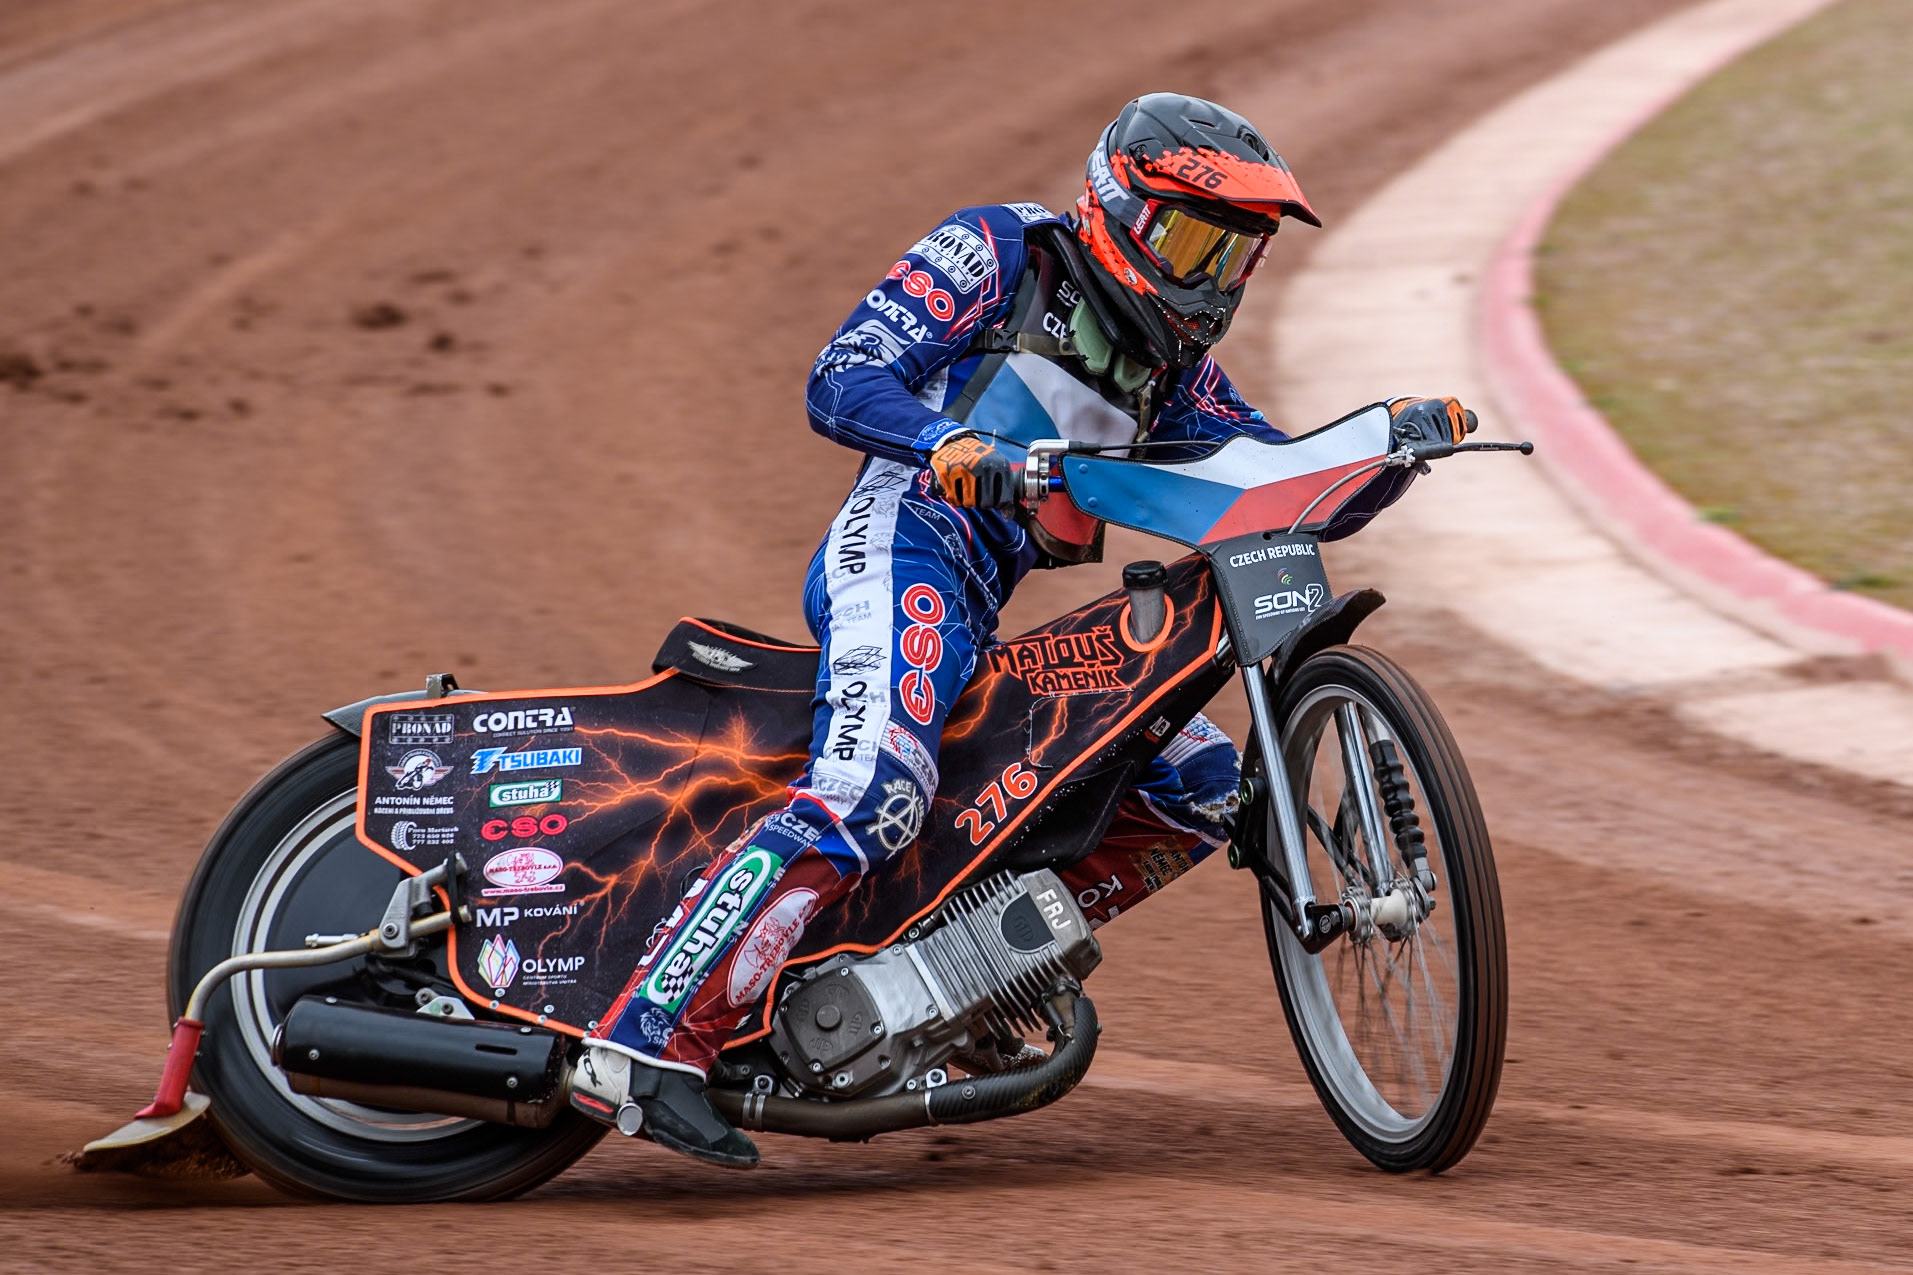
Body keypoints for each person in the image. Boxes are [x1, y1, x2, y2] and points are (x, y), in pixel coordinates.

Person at [570, 93, 1472, 1166]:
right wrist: (947, 442)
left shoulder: (1173, 377)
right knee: (876, 787)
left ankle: (951, 974)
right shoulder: (999, 252)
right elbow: (840, 377)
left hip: (980, 604)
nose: (1210, 278)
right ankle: (639, 1043)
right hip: (901, 542)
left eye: (1234, 255)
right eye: (1189, 239)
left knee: (1194, 787)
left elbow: (1275, 487)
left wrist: (1393, 452)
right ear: (1114, 208)